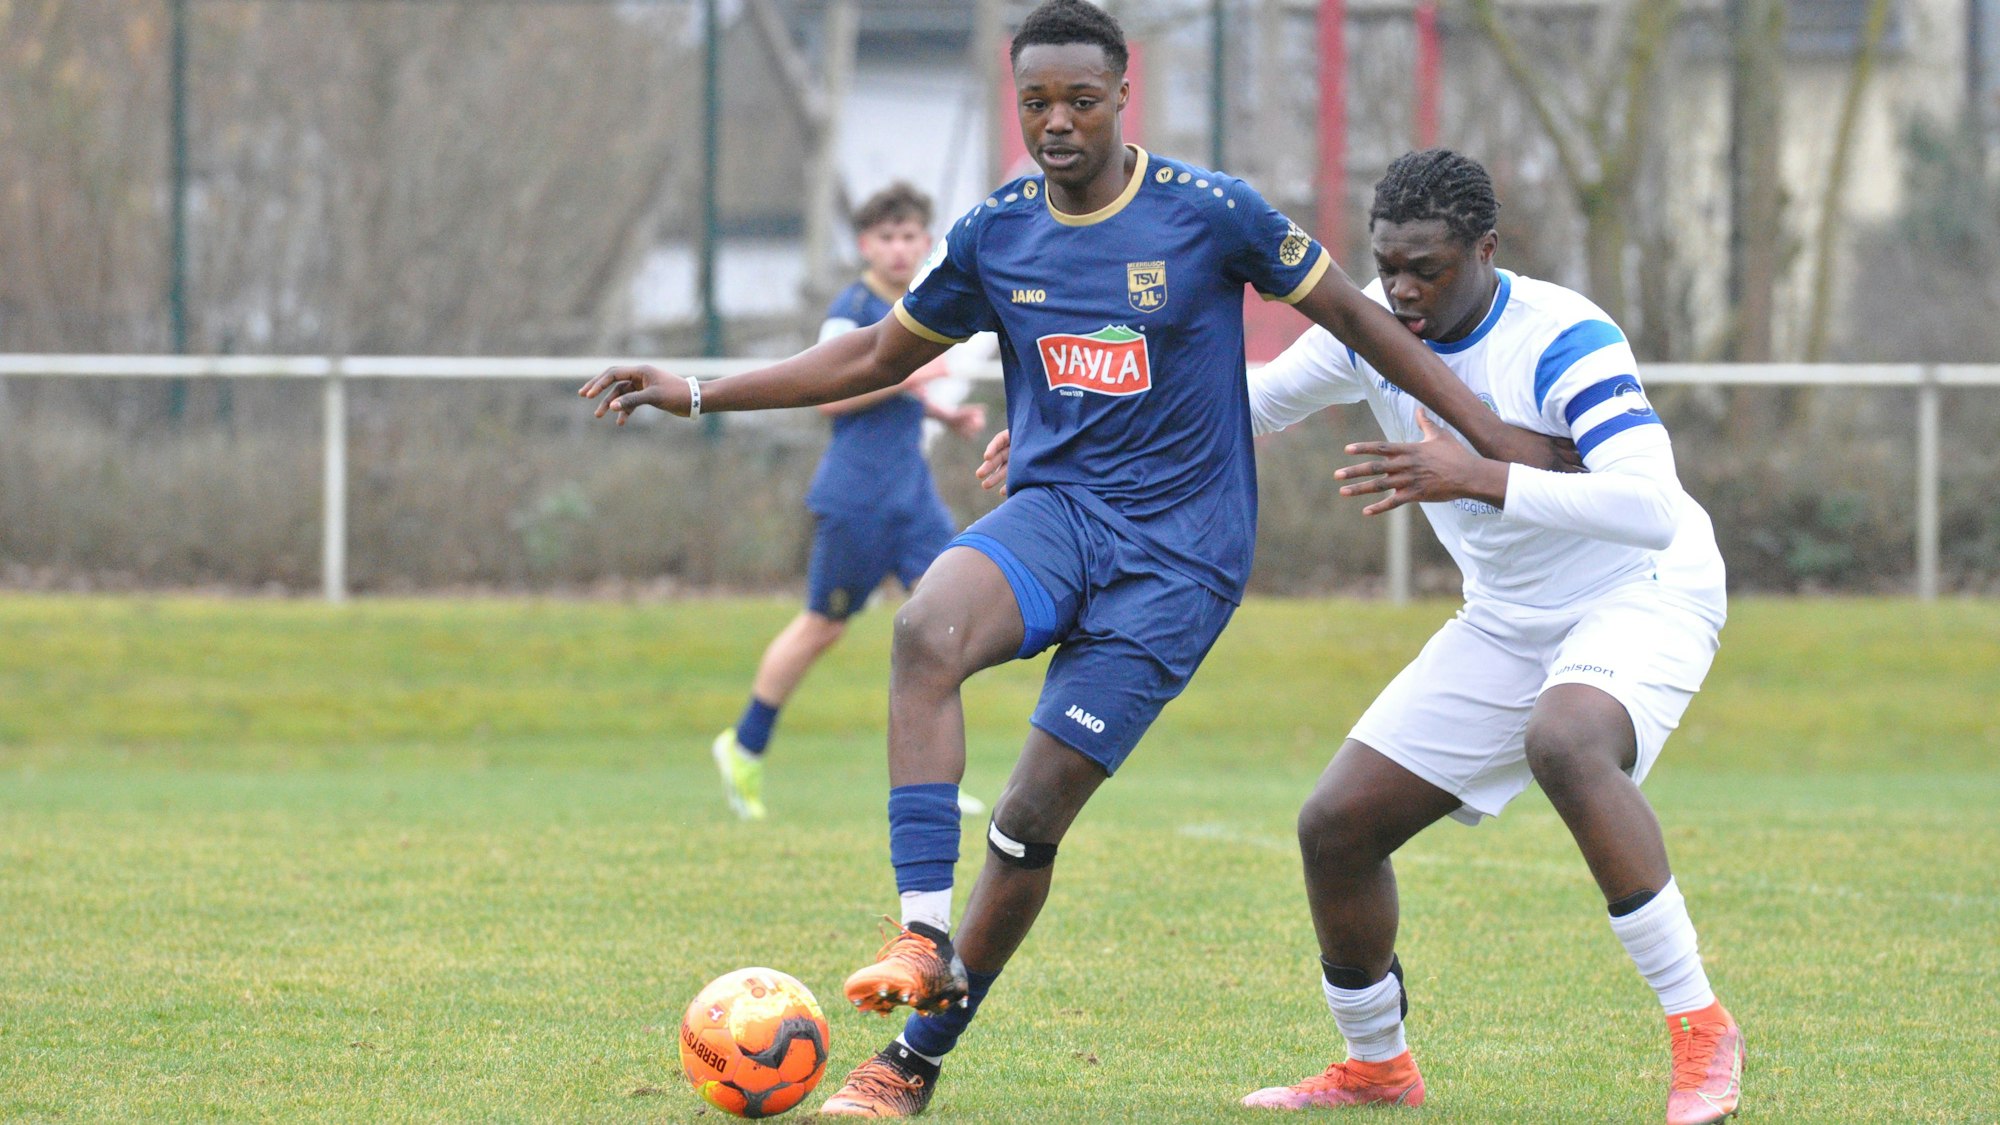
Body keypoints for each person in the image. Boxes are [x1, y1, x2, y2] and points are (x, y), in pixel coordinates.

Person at [581, 4, 1568, 1115]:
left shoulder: (1210, 215)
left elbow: (1356, 318)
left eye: (1079, 101)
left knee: (1025, 823)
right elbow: (870, 352)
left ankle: (912, 1062)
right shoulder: (996, 231)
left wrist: (1491, 442)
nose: (1056, 123)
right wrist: (699, 387)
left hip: (1179, 564)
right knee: (923, 631)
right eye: (1035, 102)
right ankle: (916, 931)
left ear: (1120, 96)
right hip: (1057, 513)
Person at [1231, 149, 1737, 1123]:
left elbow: (1647, 509)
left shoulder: (1563, 337)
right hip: (1507, 618)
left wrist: (1475, 474)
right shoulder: (1367, 331)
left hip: (1643, 590)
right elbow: (1236, 409)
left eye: (1428, 266)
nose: (1404, 290)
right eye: (1388, 266)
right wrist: (1064, 438)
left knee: (1566, 741)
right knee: (1334, 827)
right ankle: (1375, 1065)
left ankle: (1702, 1030)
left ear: (1485, 251)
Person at [707, 182, 987, 822]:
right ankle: (744, 746)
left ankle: (936, 779)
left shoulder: (919, 305)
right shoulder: (850, 308)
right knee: (821, 628)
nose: (898, 248)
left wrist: (944, 414)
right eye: (886, 237)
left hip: (911, 494)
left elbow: (901, 391)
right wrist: (913, 377)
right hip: (857, 496)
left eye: (910, 236)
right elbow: (829, 394)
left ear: (925, 242)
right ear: (866, 245)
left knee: (950, 624)